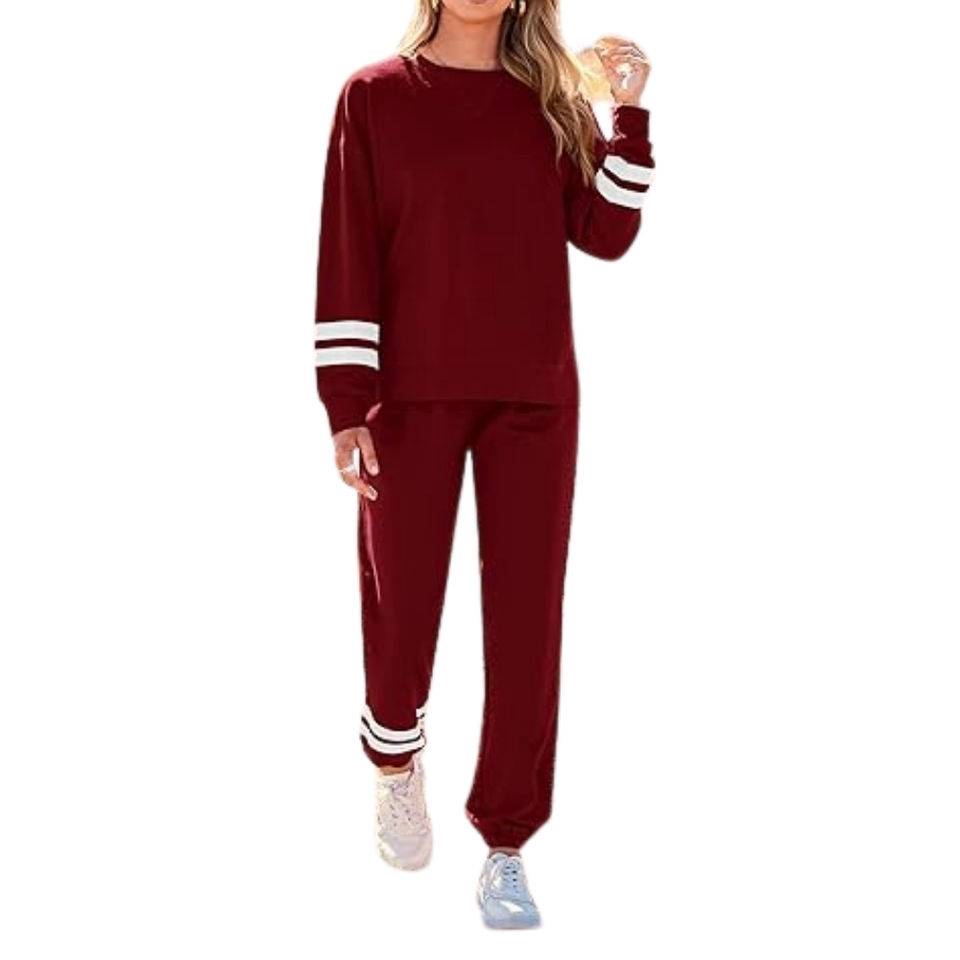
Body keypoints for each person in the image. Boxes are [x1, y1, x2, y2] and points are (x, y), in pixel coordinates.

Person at [312, 0, 654, 930]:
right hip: (408, 395)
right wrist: (345, 404)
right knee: (400, 597)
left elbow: (605, 233)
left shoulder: (551, 102)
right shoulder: (373, 97)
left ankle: (507, 842)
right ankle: (395, 757)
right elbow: (347, 249)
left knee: (527, 619)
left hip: (534, 397)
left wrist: (628, 115)